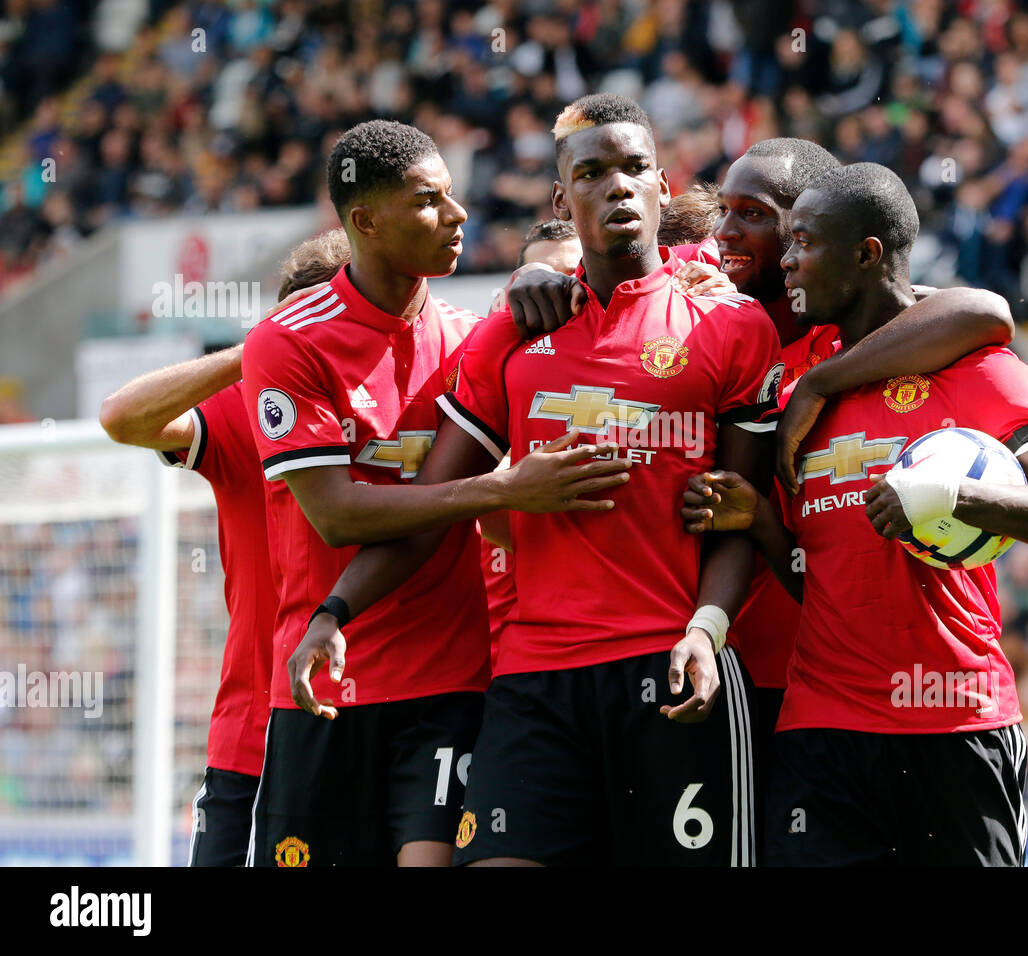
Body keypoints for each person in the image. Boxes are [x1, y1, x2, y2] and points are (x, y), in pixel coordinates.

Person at [295, 94, 784, 866]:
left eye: (633, 169)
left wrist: (706, 630)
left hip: (671, 669)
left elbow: (734, 516)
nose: (615, 187)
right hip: (535, 685)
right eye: (590, 173)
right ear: (563, 199)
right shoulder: (511, 334)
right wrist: (335, 609)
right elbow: (429, 509)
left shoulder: (731, 329)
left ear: (662, 185)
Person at [681, 162, 1028, 866]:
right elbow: (811, 579)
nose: (788, 260)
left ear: (866, 253)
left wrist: (962, 499)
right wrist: (763, 524)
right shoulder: (791, 380)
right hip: (820, 733)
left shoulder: (975, 371)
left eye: (804, 242)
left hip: (955, 722)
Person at [240, 119, 633, 868]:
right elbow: (337, 514)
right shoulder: (289, 343)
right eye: (429, 202)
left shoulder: (471, 339)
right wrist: (499, 489)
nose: (457, 217)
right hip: (325, 679)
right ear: (365, 222)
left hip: (448, 680)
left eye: (453, 196)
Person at [95, 228, 352, 865]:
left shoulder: (419, 395)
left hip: (403, 714)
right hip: (257, 737)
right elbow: (124, 417)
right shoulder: (248, 409)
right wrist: (262, 353)